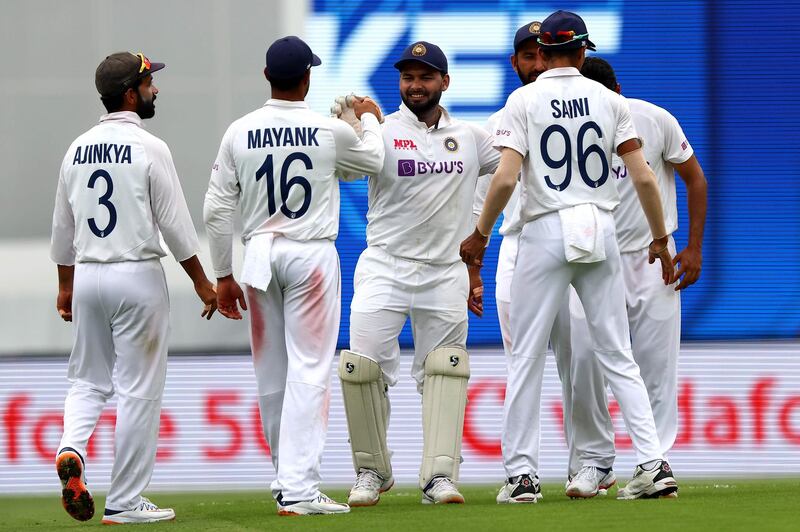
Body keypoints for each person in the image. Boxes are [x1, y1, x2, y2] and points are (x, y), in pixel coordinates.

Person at [461, 10, 680, 501]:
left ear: (547, 53)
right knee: (616, 353)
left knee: (526, 357)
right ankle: (652, 463)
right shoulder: (607, 100)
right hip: (599, 227)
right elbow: (644, 177)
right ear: (582, 53)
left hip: (544, 229)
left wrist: (480, 234)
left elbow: (504, 177)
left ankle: (521, 476)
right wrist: (661, 237)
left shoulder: (524, 99)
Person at [203, 36, 385, 516]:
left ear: (267, 76)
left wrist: (223, 274)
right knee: (310, 369)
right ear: (307, 78)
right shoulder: (327, 129)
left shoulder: (239, 131)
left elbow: (216, 209)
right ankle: (300, 487)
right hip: (309, 254)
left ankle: (286, 477)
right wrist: (366, 116)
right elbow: (373, 160)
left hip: (259, 254)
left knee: (273, 371)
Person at [50, 51, 218, 524]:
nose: (155, 89)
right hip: (136, 275)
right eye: (149, 83)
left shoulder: (76, 148)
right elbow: (177, 226)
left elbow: (62, 226)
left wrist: (65, 285)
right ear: (130, 93)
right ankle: (124, 501)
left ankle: (71, 450)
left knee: (86, 380)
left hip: (87, 275)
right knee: (138, 390)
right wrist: (204, 284)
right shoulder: (150, 148)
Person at [338, 41, 499, 507]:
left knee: (446, 370)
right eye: (408, 77)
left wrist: (479, 243)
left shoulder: (470, 137)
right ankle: (372, 471)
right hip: (385, 265)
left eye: (425, 77)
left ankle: (439, 477)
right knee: (360, 368)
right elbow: (345, 168)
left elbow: (512, 164)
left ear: (444, 82)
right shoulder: (381, 131)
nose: (415, 85)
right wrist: (347, 126)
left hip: (445, 270)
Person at [563, 56, 707, 498]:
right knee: (584, 363)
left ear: (618, 92)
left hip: (651, 258)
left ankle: (655, 462)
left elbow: (694, 180)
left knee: (656, 365)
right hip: (590, 258)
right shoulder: (568, 128)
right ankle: (595, 463)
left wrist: (694, 247)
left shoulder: (655, 119)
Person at [473, 21, 577, 504]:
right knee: (524, 362)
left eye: (543, 54)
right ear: (515, 62)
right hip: (517, 246)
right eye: (528, 57)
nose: (537, 65)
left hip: (574, 242)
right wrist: (472, 268)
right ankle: (523, 474)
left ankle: (589, 465)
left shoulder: (586, 112)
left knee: (585, 360)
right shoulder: (498, 123)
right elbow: (481, 203)